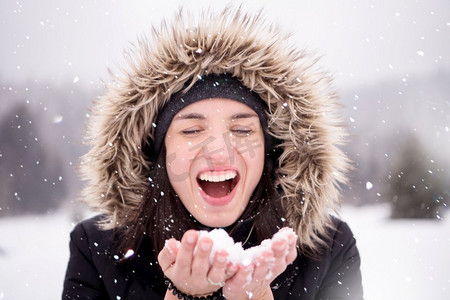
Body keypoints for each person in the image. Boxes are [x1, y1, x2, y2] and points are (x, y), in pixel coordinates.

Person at [63, 7, 363, 300]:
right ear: (159, 153)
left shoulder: (327, 247)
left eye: (243, 131)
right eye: (192, 131)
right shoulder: (96, 248)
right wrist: (185, 297)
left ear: (272, 152)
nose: (219, 152)